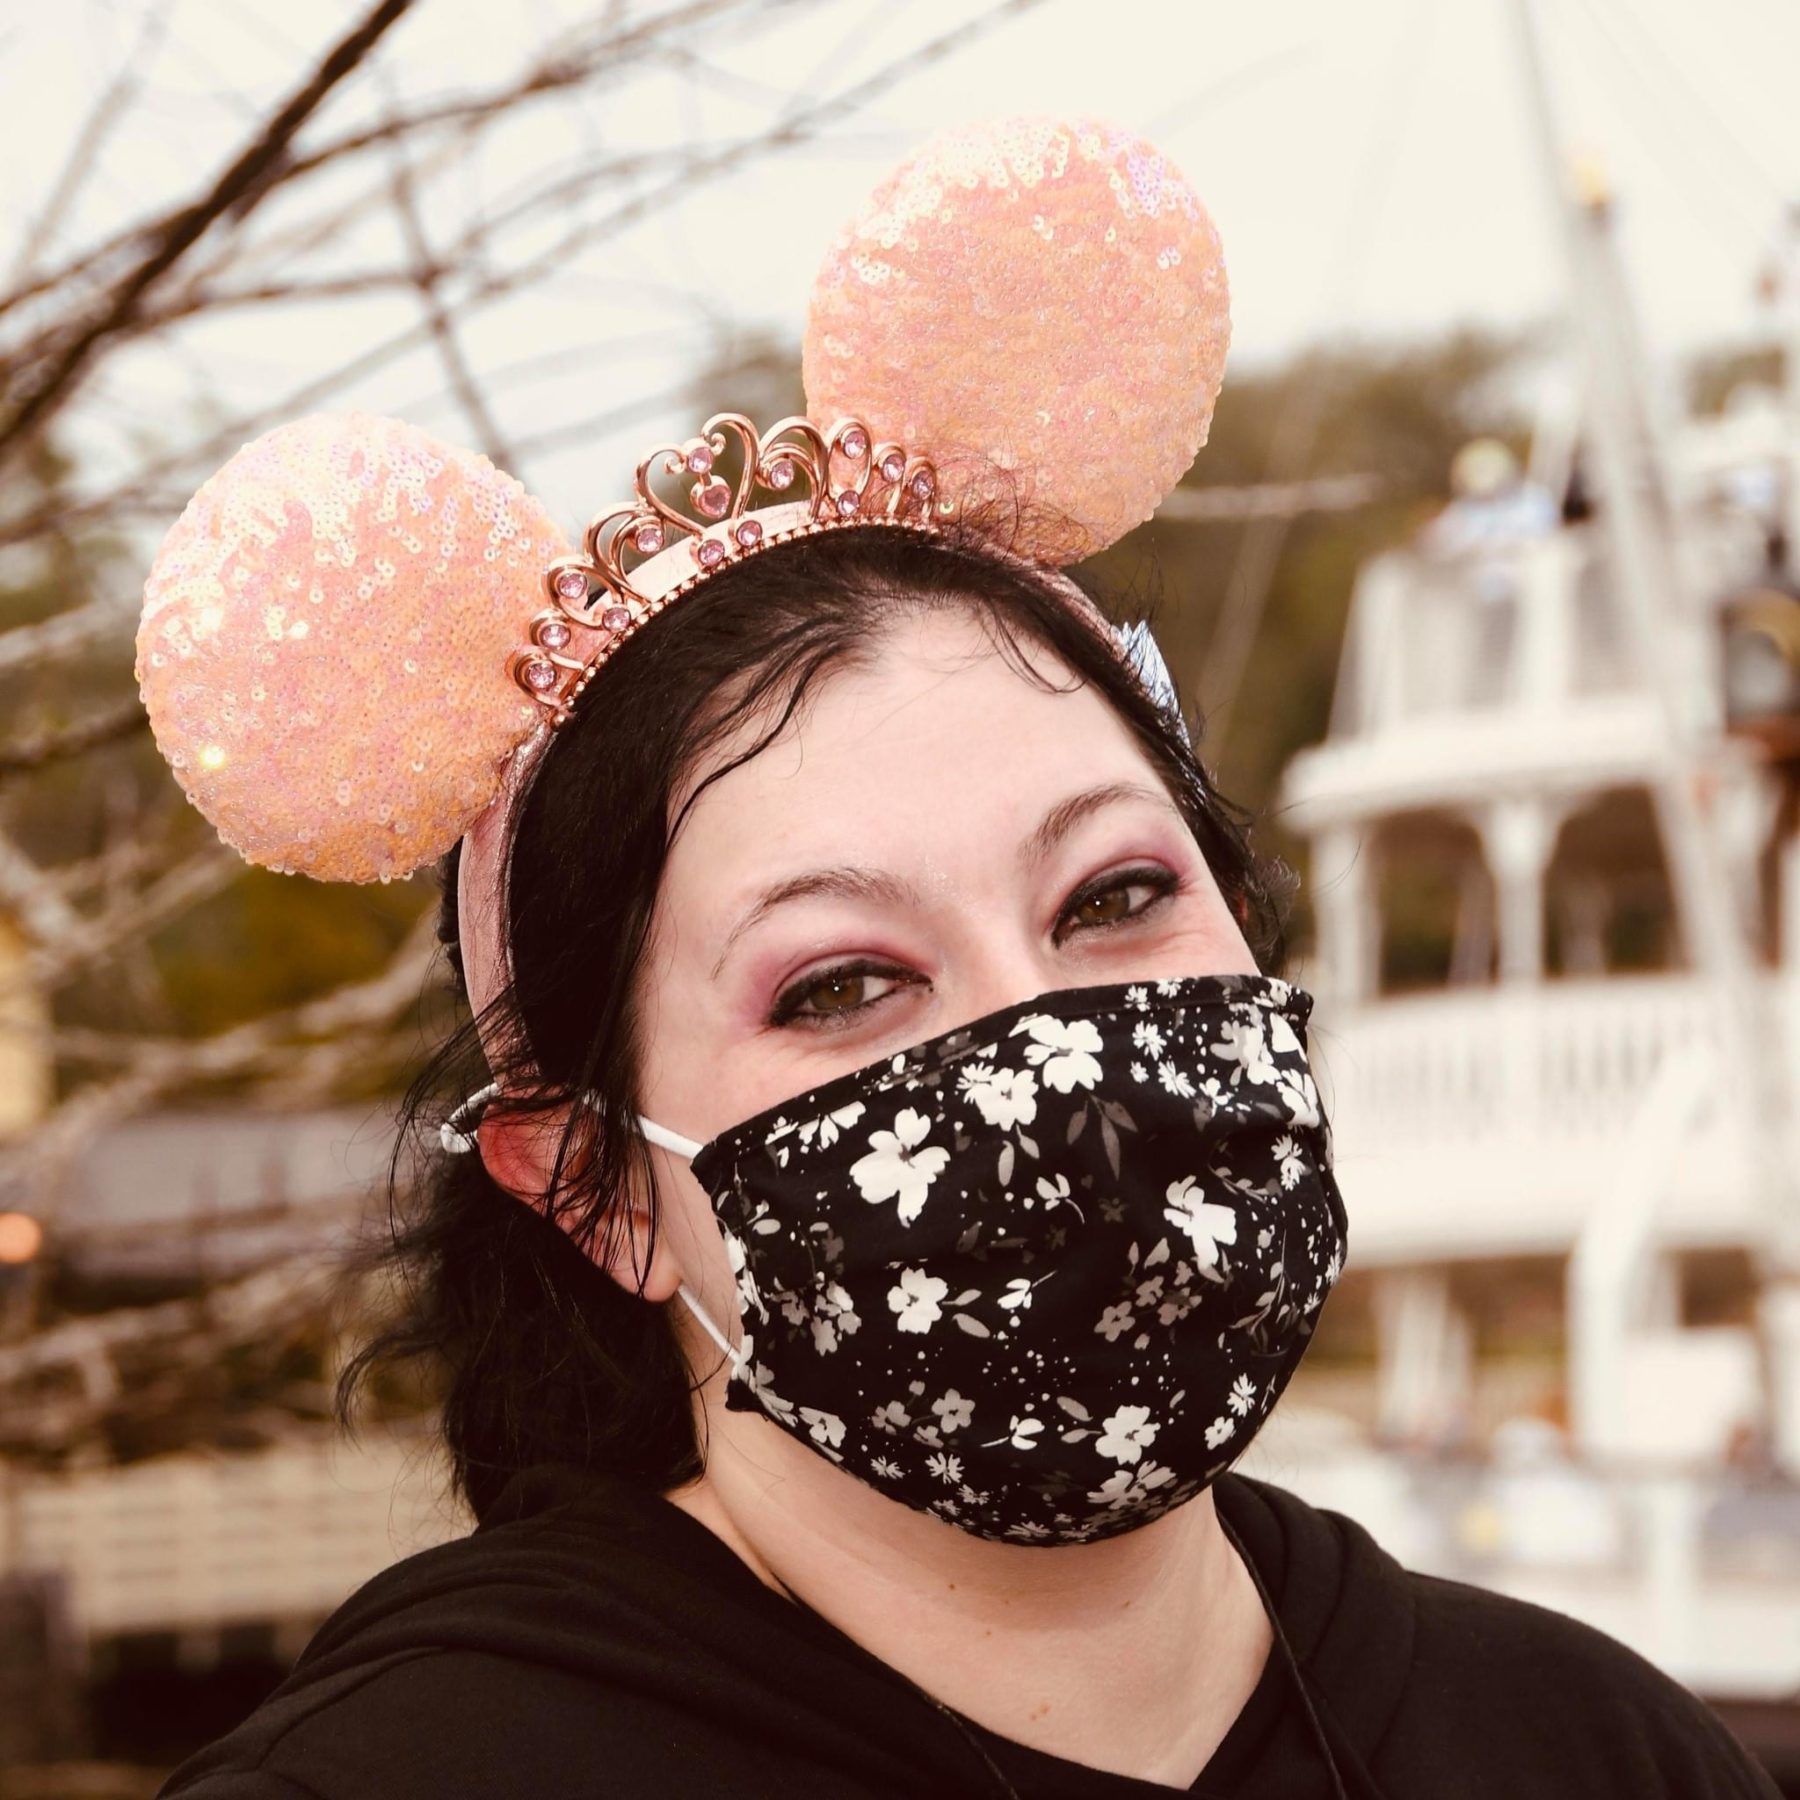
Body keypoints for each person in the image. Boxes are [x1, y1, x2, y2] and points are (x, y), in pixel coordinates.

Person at [136, 117, 1778, 1799]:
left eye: (1114, 896)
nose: (1048, 1043)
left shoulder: (1598, 1752)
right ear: (598, 1188)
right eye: (842, 985)